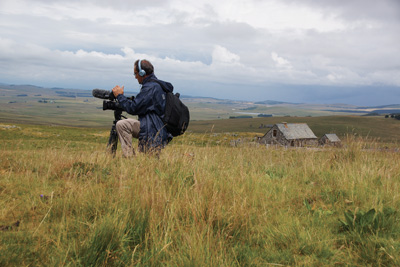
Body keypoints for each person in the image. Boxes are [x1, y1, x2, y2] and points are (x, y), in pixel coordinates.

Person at [112, 59, 173, 157]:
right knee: (151, 160)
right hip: (158, 128)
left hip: (152, 128)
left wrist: (119, 96)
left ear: (142, 73)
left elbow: (134, 108)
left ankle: (129, 159)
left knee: (121, 124)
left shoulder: (150, 88)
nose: (135, 77)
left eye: (135, 73)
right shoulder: (157, 85)